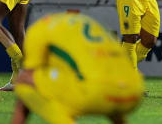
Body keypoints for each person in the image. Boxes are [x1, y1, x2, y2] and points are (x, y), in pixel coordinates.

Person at [11, 13, 144, 124]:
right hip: (134, 91)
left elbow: (29, 75)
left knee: (23, 82)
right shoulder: (89, 24)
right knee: (102, 83)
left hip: (93, 92)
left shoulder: (37, 30)